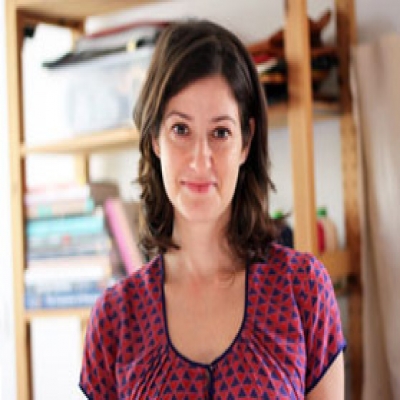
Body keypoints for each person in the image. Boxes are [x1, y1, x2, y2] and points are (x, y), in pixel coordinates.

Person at [80, 19, 346, 399]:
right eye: (180, 130)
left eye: (221, 133)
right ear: (155, 138)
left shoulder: (303, 289)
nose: (200, 159)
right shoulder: (115, 319)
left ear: (245, 142)